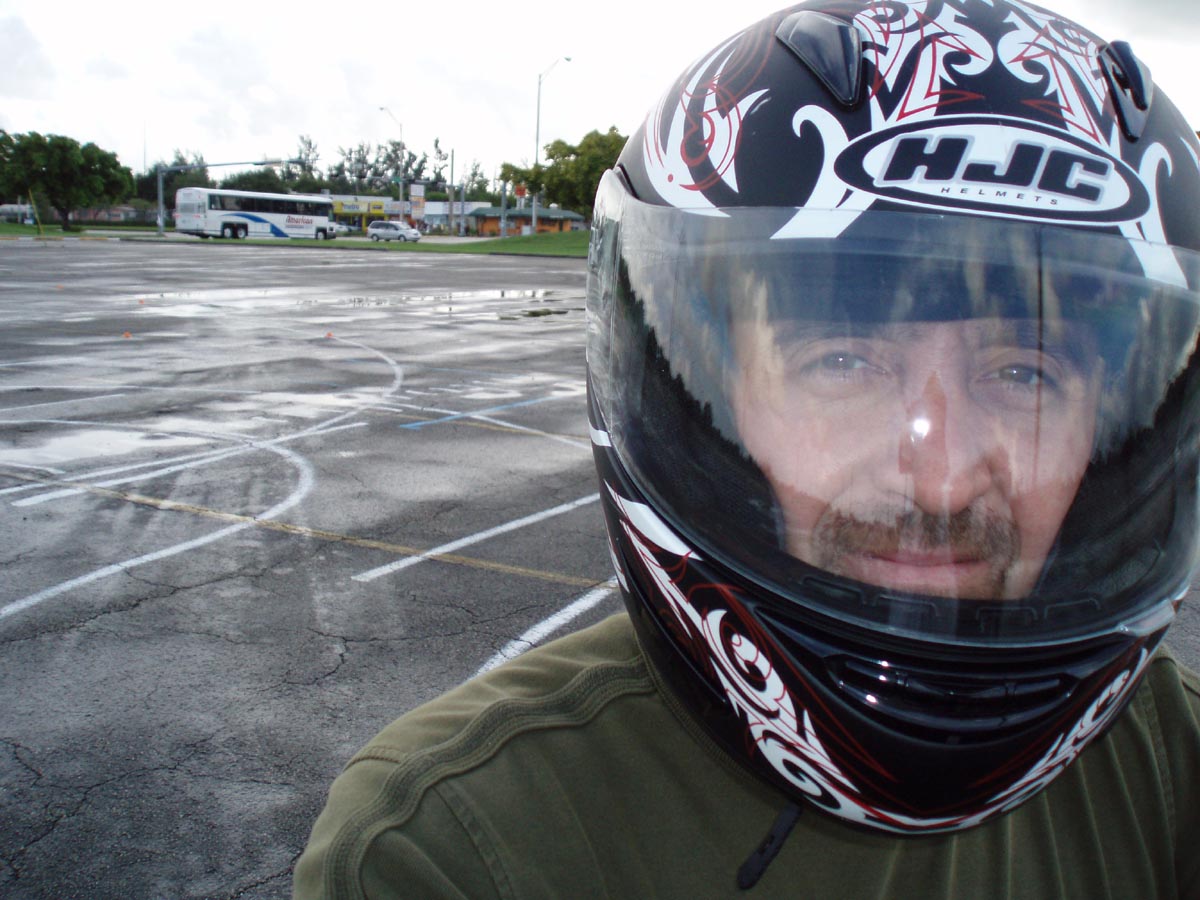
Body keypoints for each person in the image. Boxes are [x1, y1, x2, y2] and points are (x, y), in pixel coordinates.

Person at [295, 0, 1200, 896]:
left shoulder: (1173, 773)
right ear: (701, 413)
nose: (943, 478)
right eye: (841, 361)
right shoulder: (453, 850)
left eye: (1025, 375)